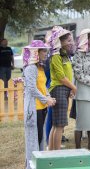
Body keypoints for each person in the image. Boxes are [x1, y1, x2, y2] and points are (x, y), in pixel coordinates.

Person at [23, 40, 56, 169]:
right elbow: (31, 88)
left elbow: (42, 86)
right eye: (43, 51)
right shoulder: (30, 68)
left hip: (41, 107)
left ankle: (38, 164)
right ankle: (30, 166)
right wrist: (45, 99)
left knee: (40, 137)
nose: (45, 53)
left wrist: (48, 96)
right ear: (35, 52)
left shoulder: (40, 67)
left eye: (45, 51)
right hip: (33, 109)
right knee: (33, 140)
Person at [47, 26, 76, 150]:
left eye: (71, 40)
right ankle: (56, 152)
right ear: (60, 41)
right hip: (58, 89)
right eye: (68, 40)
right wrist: (74, 87)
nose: (71, 42)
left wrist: (69, 89)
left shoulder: (64, 55)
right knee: (59, 125)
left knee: (56, 124)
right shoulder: (56, 56)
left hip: (64, 89)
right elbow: (61, 77)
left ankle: (53, 151)